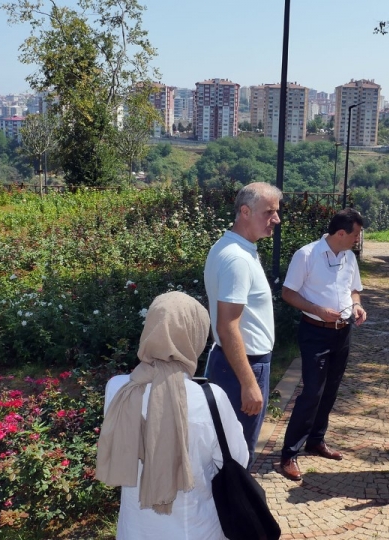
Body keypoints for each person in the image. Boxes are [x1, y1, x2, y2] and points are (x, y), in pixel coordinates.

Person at [96, 291, 249, 540]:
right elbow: (237, 459)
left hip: (134, 530)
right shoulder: (210, 398)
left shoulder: (119, 388)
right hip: (197, 528)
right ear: (195, 336)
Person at [277, 208, 368, 482]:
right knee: (311, 392)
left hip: (343, 332)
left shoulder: (349, 257)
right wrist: (317, 309)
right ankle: (288, 453)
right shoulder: (307, 255)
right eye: (355, 234)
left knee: (330, 390)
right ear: (341, 233)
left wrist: (357, 305)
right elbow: (288, 293)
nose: (357, 239)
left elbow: (354, 289)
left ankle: (316, 440)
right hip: (315, 332)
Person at [204, 182, 282, 465]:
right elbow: (227, 326)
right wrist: (249, 383)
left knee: (228, 452)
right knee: (236, 457)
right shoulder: (237, 258)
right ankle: (234, 509)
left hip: (234, 363)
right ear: (245, 212)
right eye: (269, 212)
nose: (277, 219)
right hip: (241, 367)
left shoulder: (237, 248)